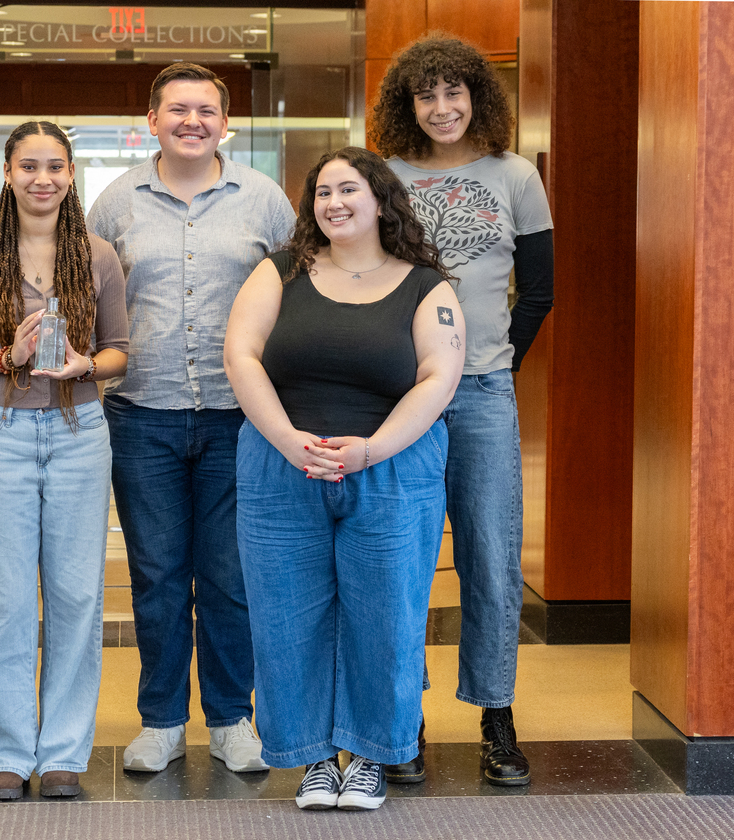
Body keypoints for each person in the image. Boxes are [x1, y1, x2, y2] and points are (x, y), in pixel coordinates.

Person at [224, 146, 464, 812]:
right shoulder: (280, 271)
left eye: (349, 189)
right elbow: (241, 355)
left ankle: (369, 757)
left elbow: (438, 376)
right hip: (282, 468)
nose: (334, 202)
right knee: (286, 617)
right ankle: (313, 759)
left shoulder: (425, 284)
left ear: (382, 200)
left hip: (393, 470)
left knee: (385, 616)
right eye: (323, 192)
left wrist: (373, 449)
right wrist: (288, 439)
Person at [86, 62, 294, 775]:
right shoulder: (115, 203)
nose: (192, 122)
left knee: (231, 577)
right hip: (141, 415)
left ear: (224, 123)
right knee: (157, 577)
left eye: (206, 110)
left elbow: (298, 294)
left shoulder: (264, 200)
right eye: (178, 109)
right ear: (153, 120)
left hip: (241, 418)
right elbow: (89, 302)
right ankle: (162, 720)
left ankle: (233, 718)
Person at [371, 33, 555, 786]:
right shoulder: (382, 176)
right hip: (399, 396)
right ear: (407, 104)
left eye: (454, 92)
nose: (442, 108)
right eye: (427, 95)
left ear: (477, 97)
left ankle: (496, 717)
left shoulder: (516, 176)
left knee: (490, 556)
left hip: (482, 394)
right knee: (400, 560)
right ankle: (401, 721)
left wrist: (498, 364)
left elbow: (539, 291)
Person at [0, 121, 129, 801]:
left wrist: (85, 366)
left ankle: (63, 753)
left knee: (77, 596)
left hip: (81, 432)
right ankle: (3, 752)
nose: (42, 179)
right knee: (4, 599)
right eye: (28, 166)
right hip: (2, 432)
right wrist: (7, 356)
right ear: (8, 173)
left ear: (72, 175)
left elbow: (120, 351)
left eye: (55, 167)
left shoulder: (98, 254)